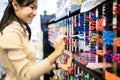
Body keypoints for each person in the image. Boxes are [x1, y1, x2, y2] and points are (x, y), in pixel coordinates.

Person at [0, 0, 73, 80]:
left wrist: (58, 66)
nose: (35, 13)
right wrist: (57, 52)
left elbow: (32, 66)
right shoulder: (10, 33)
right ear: (16, 5)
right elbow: (26, 75)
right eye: (32, 7)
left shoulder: (22, 30)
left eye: (36, 9)